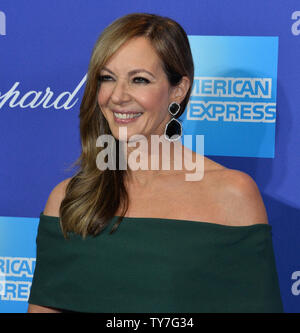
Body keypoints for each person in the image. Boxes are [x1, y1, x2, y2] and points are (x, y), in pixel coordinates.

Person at [27, 13, 283, 313]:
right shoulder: (69, 198)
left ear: (178, 89)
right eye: (107, 78)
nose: (118, 96)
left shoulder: (232, 194)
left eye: (139, 80)